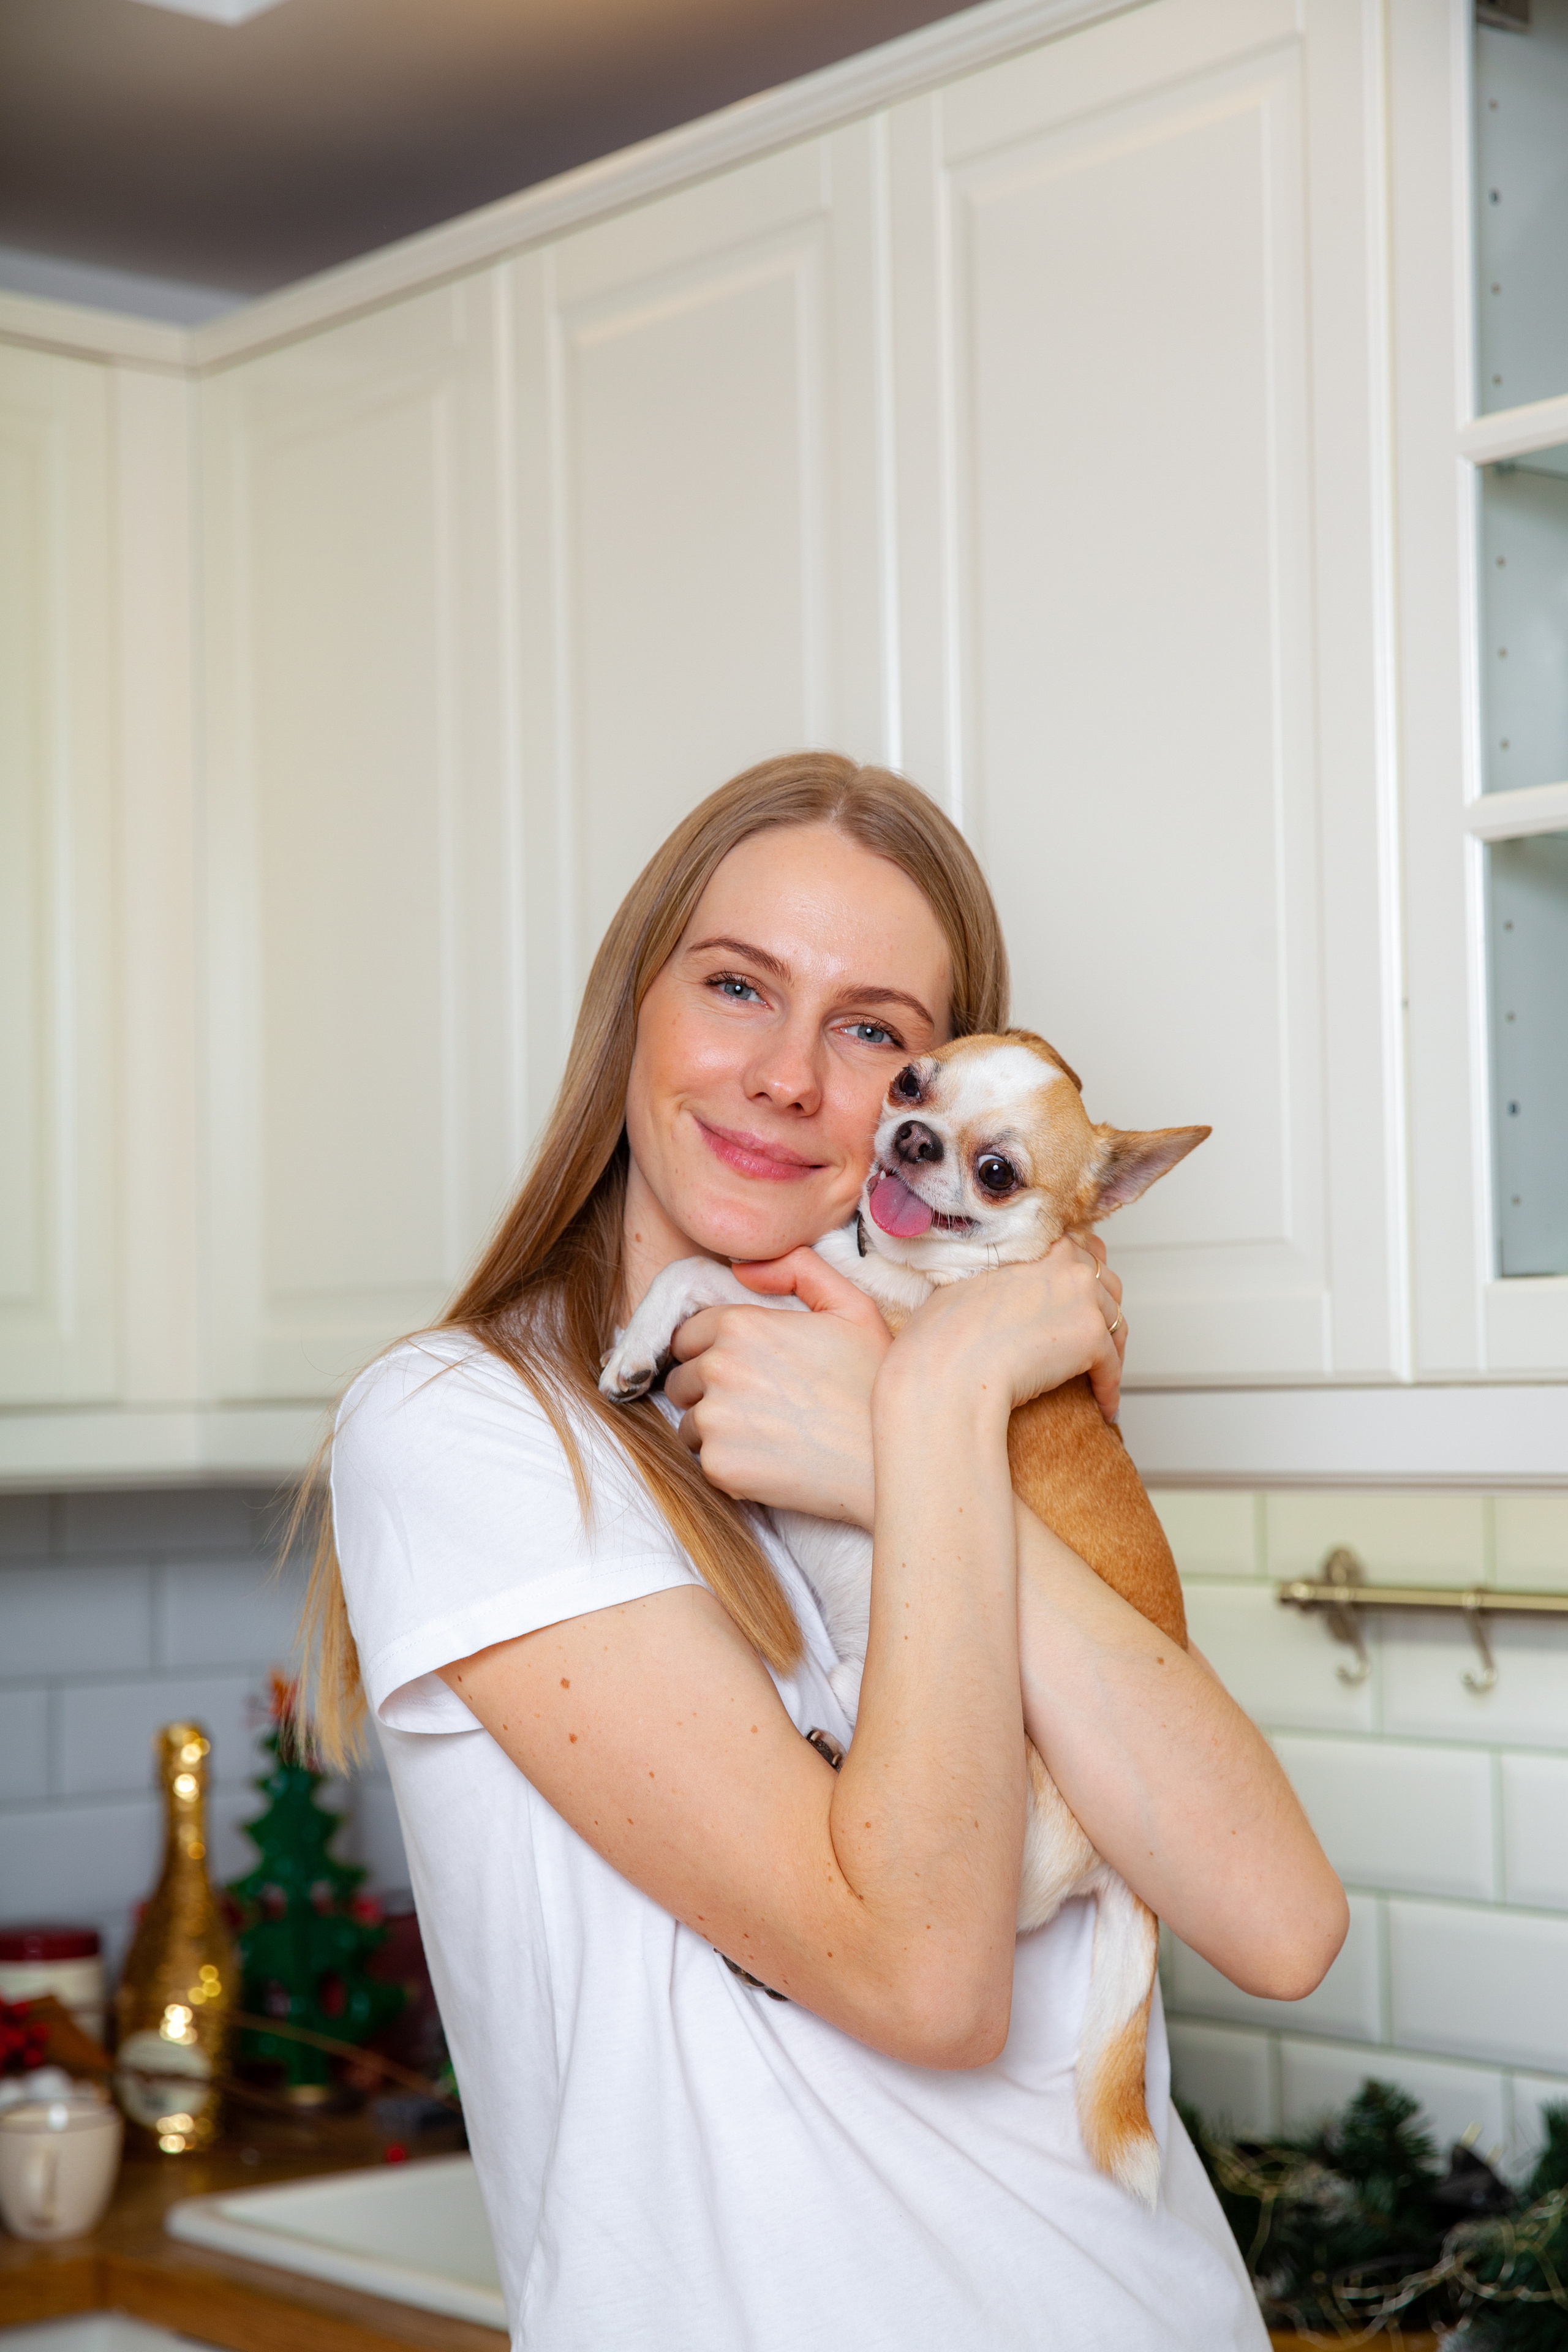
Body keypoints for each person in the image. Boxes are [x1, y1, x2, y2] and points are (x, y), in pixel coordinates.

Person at [306, 753, 1346, 2351]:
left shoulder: (967, 1430)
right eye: (737, 986)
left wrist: (916, 1430)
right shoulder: (471, 1429)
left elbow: (1281, 1923)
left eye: (872, 1031)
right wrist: (940, 1408)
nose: (791, 1076)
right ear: (632, 1013)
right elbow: (930, 1983)